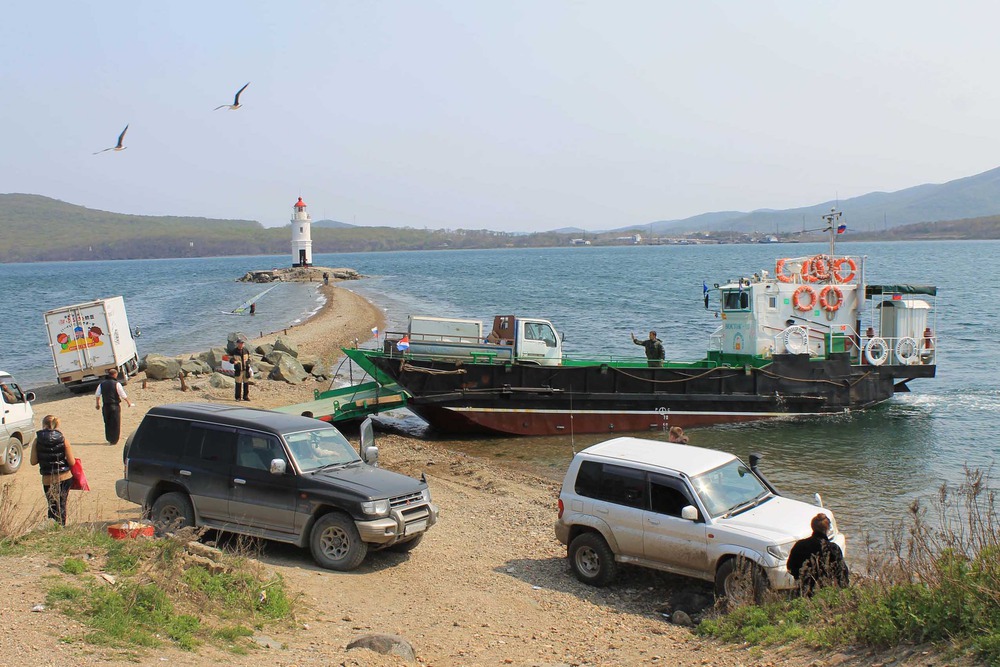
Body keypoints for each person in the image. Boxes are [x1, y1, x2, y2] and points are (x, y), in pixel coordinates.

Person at [786, 513, 850, 596]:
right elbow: (842, 573)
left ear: (812, 527)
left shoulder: (800, 545)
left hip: (804, 590)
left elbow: (790, 567)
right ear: (827, 529)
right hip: (827, 592)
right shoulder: (833, 548)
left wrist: (802, 578)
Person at [29, 415, 76, 526]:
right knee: (62, 504)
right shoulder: (63, 439)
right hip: (64, 477)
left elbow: (33, 461)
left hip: (48, 479)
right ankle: (61, 527)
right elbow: (72, 462)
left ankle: (52, 526)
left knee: (52, 505)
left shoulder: (37, 440)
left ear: (43, 425)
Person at [95, 368, 134, 445]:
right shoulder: (116, 383)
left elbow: (97, 394)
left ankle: (109, 438)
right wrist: (128, 402)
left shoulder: (101, 384)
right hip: (114, 405)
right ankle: (114, 440)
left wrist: (97, 404)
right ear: (115, 375)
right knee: (115, 423)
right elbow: (122, 394)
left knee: (107, 422)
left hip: (106, 406)